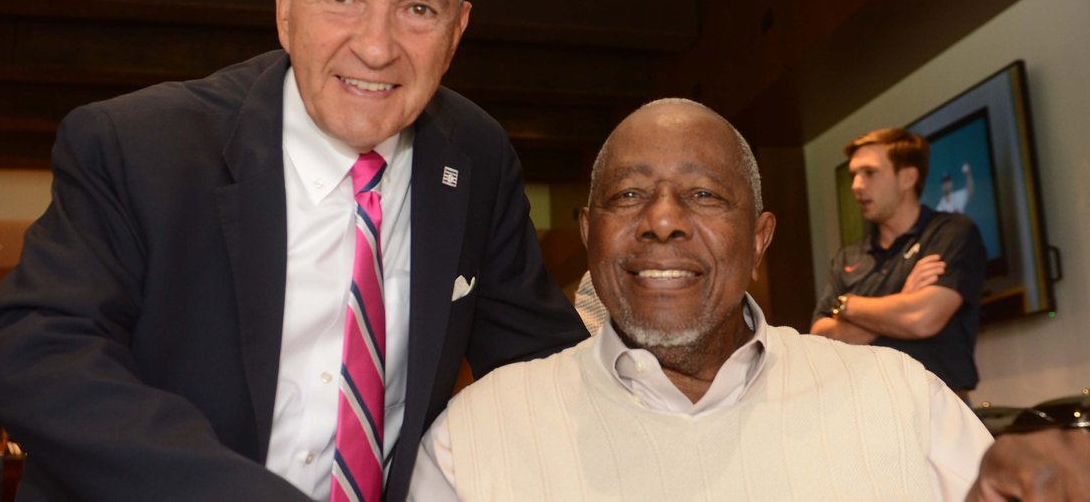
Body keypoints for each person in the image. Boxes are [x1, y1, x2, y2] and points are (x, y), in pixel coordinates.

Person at [0, 0, 586, 502]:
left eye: (417, 9)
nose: (376, 47)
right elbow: (39, 354)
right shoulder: (140, 146)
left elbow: (542, 373)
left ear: (456, 30)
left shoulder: (475, 157)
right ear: (287, 6)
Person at [410, 99, 994, 500]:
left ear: (759, 238)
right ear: (589, 234)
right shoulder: (477, 433)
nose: (663, 220)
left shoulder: (904, 400)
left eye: (704, 194)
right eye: (630, 192)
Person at [810, 128, 987, 398]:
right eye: (854, 175)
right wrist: (904, 299)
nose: (856, 185)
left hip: (938, 410)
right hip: (864, 411)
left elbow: (923, 318)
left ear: (907, 177)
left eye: (869, 173)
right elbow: (821, 344)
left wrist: (847, 305)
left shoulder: (950, 233)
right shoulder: (849, 256)